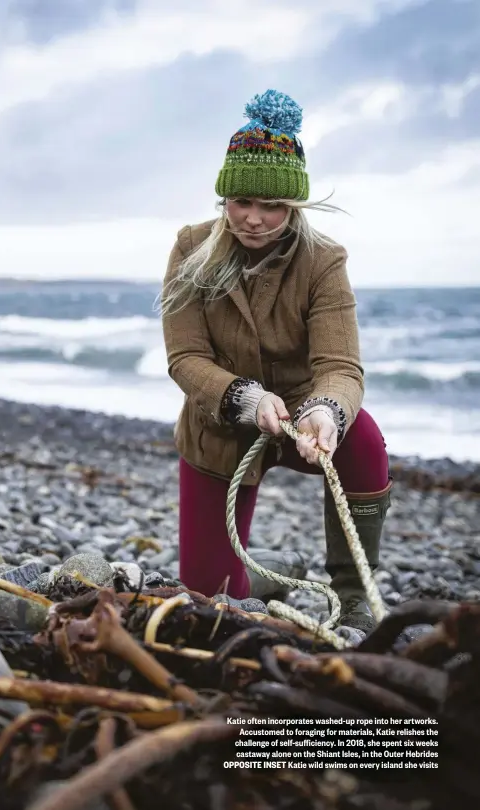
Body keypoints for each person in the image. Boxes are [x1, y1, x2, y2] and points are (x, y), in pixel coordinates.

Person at [158, 89, 392, 633]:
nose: (255, 219)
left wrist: (326, 411)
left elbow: (341, 366)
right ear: (225, 197)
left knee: (363, 438)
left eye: (273, 207)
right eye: (243, 202)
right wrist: (244, 397)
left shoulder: (324, 260)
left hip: (303, 420)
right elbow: (185, 356)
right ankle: (273, 574)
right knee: (211, 599)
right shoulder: (191, 247)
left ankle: (354, 593)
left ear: (294, 208)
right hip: (219, 422)